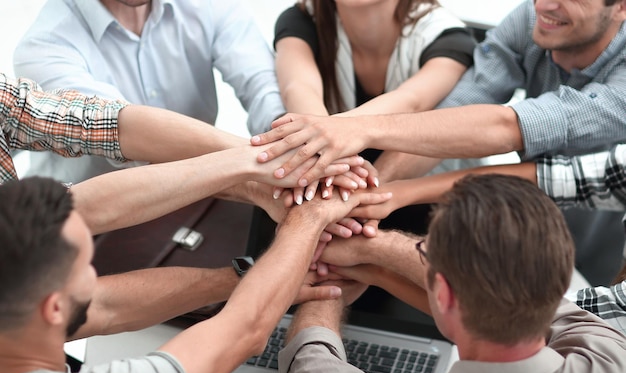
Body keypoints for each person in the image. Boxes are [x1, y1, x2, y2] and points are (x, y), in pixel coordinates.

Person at [252, 0, 626, 283]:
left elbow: (510, 126)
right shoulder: (531, 18)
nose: (544, 5)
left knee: (582, 322)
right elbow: (460, 108)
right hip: (527, 212)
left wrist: (361, 129)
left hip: (602, 224)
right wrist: (371, 192)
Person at [0, 177, 391, 373]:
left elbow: (105, 306)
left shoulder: (16, 317)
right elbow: (243, 330)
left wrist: (243, 276)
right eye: (89, 265)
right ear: (53, 309)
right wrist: (309, 219)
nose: (96, 275)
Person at [279, 174, 626, 373]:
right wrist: (368, 253)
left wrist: (325, 287)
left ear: (443, 293)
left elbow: (310, 368)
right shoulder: (612, 358)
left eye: (424, 253)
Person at [1, 73, 366, 236]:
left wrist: (286, 160)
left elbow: (106, 124)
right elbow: (61, 214)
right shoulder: (46, 43)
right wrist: (257, 165)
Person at [13, 0, 286, 182]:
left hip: (205, 195)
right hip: (90, 228)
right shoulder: (43, 47)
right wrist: (263, 163)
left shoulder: (209, 5)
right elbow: (127, 134)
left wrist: (291, 148)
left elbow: (263, 86)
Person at [274, 0, 477, 201]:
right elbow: (298, 87)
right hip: (334, 185)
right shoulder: (302, 18)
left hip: (432, 199)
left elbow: (413, 99)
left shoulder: (448, 36)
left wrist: (330, 140)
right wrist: (330, 157)